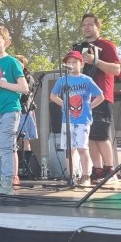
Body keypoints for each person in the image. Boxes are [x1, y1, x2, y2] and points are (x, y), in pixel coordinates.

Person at [0, 26, 30, 195]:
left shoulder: (12, 62)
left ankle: (7, 182)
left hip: (10, 109)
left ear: (6, 42)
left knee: (5, 147)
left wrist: (1, 83)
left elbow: (24, 88)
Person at [78, 13, 121, 184]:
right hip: (84, 97)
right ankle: (97, 170)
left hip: (101, 95)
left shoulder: (107, 45)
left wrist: (95, 61)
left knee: (101, 135)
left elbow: (117, 70)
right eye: (84, 25)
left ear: (98, 27)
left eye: (90, 24)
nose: (86, 27)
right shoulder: (81, 47)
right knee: (89, 135)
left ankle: (110, 170)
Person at [50, 51, 105, 185]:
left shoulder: (86, 80)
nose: (71, 64)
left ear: (82, 64)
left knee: (82, 148)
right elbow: (53, 96)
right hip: (67, 120)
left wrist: (89, 107)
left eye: (74, 62)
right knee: (69, 150)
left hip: (82, 120)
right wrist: (65, 105)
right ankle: (71, 176)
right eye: (69, 62)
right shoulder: (62, 80)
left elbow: (100, 96)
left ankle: (86, 176)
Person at [12, 54, 38, 186]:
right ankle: (16, 167)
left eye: (19, 62)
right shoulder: (13, 75)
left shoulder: (28, 77)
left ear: (24, 64)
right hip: (14, 110)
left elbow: (25, 95)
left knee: (25, 138)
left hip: (24, 110)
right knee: (14, 139)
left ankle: (26, 166)